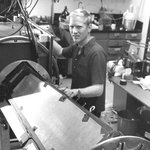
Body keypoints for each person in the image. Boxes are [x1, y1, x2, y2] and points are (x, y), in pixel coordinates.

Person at [53, 8, 107, 117]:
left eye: (79, 27)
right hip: (80, 102)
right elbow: (59, 52)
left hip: (91, 109)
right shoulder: (77, 46)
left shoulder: (96, 53)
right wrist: (45, 37)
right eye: (71, 26)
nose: (74, 31)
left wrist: (75, 92)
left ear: (89, 28)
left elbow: (98, 89)